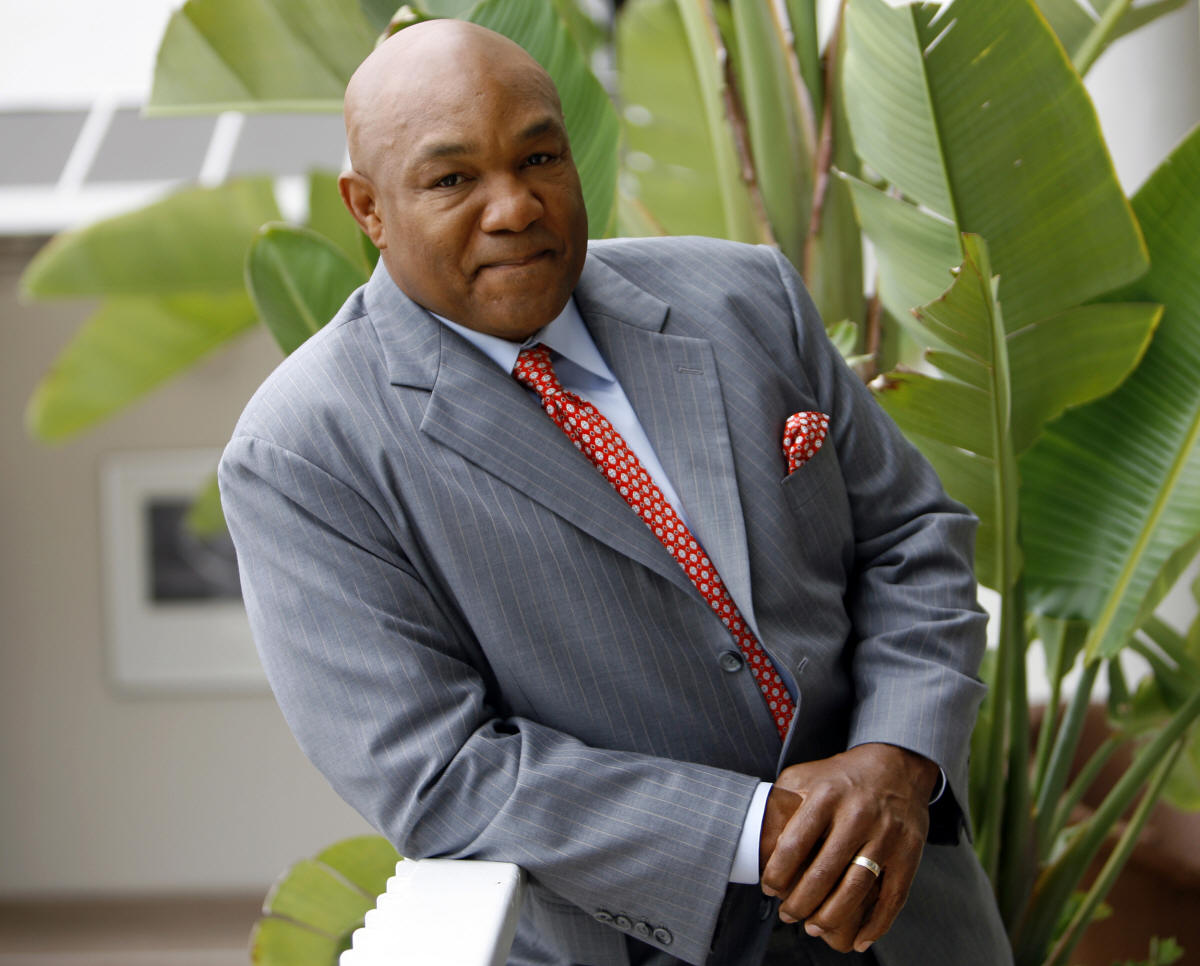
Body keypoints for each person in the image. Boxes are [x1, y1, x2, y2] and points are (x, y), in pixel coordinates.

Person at [218, 19, 1010, 966]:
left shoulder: (748, 300)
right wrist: (764, 826)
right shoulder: (303, 450)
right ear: (368, 209)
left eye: (538, 157)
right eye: (453, 179)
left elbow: (912, 536)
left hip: (914, 916)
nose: (515, 207)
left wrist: (895, 759)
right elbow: (438, 773)